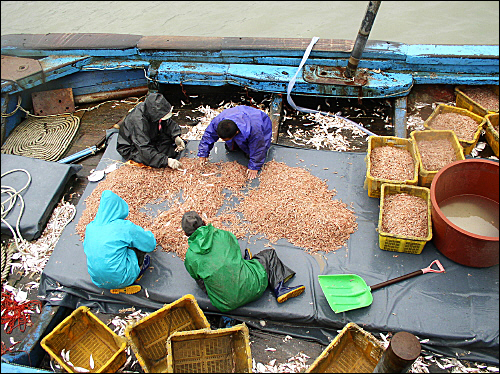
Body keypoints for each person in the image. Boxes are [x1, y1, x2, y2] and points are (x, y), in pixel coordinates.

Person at [181, 211, 305, 313]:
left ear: (186, 234)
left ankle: (227, 289)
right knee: (268, 255)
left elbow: (198, 278)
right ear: (204, 222)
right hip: (254, 288)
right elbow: (234, 251)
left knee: (206, 277)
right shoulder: (222, 235)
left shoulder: (190, 257)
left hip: (224, 304)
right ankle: (279, 288)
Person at [83, 190, 156, 294]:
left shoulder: (90, 227)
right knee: (136, 244)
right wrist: (148, 233)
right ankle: (136, 272)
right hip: (123, 278)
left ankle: (112, 282)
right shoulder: (123, 227)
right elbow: (150, 244)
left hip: (98, 280)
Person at [197, 105, 272, 179]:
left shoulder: (255, 131)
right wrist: (203, 153)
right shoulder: (218, 122)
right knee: (231, 148)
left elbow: (258, 147)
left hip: (261, 123)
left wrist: (254, 166)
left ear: (236, 132)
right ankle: (237, 144)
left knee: (253, 152)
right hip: (238, 116)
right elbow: (209, 135)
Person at [117, 92, 185, 169]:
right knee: (152, 157)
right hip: (133, 146)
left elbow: (168, 123)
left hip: (151, 135)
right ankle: (161, 159)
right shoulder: (138, 122)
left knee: (170, 150)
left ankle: (161, 155)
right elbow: (143, 147)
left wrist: (176, 136)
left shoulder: (153, 111)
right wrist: (166, 161)